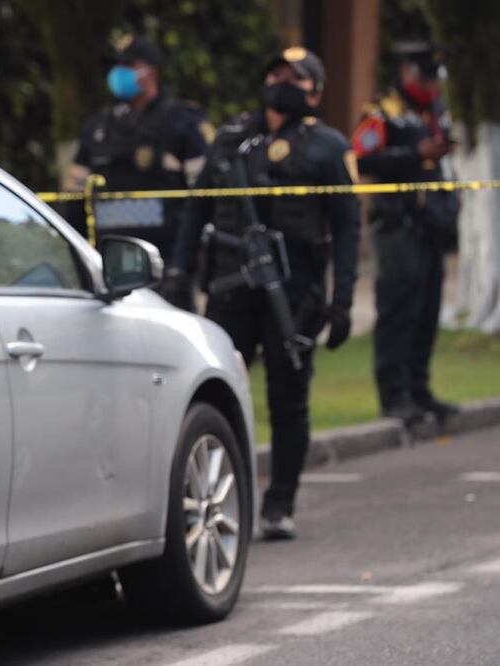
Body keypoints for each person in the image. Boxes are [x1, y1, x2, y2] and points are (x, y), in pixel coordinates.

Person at [168, 47, 360, 540]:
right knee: (212, 392)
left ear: (315, 92)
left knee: (287, 398)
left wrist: (342, 301)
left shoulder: (328, 147)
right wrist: (178, 271)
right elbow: (196, 209)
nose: (280, 83)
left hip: (293, 293)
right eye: (275, 74)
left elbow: (347, 227)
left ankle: (279, 505)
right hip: (232, 287)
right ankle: (214, 497)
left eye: (294, 78)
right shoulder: (231, 139)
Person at [352, 41, 459, 424]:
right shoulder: (384, 112)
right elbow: (360, 159)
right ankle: (393, 396)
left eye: (434, 80)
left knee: (427, 310)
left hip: (431, 224)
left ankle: (419, 390)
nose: (431, 87)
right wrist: (416, 154)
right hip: (396, 225)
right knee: (398, 310)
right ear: (406, 72)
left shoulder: (436, 111)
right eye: (424, 78)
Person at [66, 34, 212, 272]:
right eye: (117, 65)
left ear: (151, 72)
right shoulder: (98, 126)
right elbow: (74, 200)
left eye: (128, 65)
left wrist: (185, 264)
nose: (118, 73)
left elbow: (204, 198)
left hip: (166, 258)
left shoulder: (182, 123)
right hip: (106, 258)